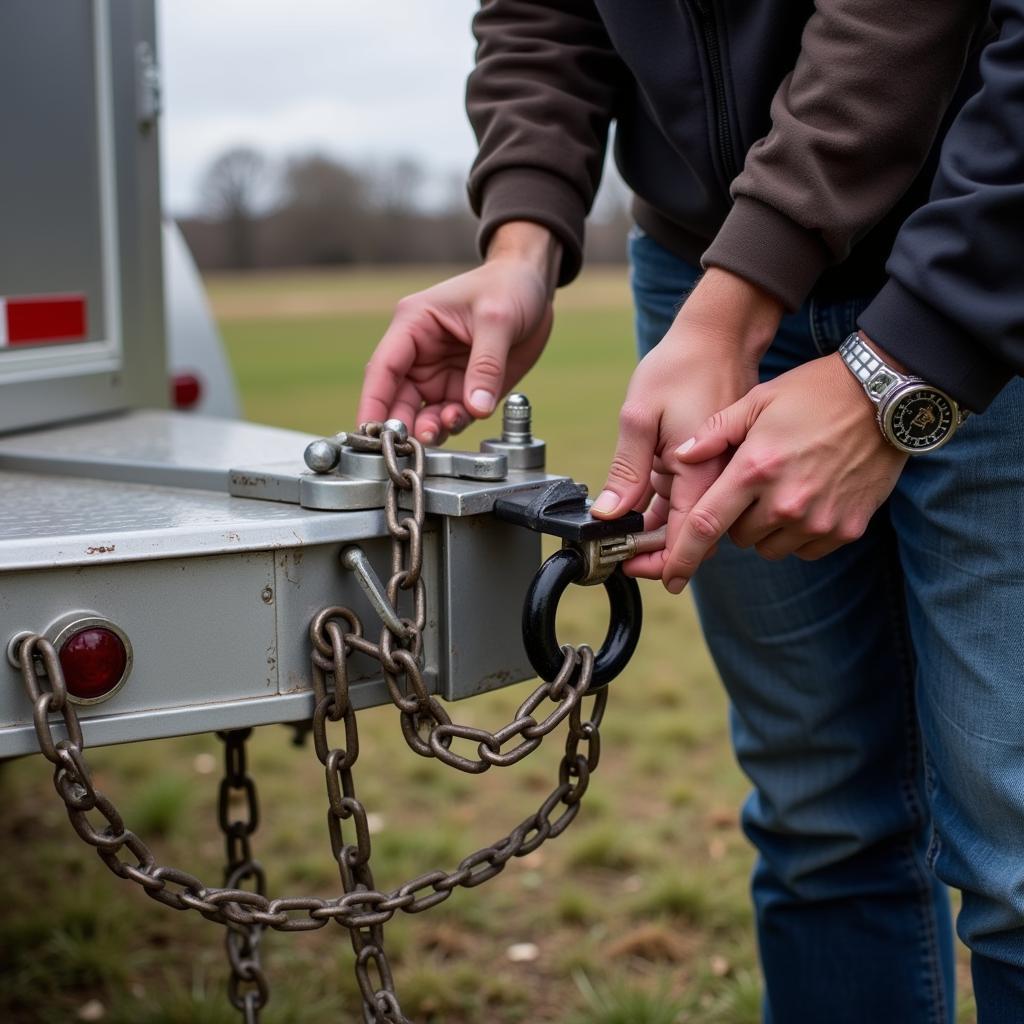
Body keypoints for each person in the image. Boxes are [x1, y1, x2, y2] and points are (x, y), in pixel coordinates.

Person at [358, 2, 1024, 1019]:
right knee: (818, 819)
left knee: (1014, 838)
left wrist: (876, 359)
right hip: (698, 269)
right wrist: (521, 246)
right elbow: (543, 13)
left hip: (978, 236)